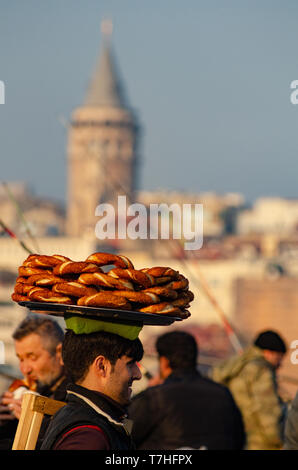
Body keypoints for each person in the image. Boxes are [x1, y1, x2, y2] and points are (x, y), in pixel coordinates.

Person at [128, 330, 245, 450]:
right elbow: (239, 439)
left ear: (164, 362)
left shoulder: (155, 398)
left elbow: (126, 432)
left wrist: (147, 393)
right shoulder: (223, 393)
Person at [41, 323, 143, 450]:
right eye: (130, 364)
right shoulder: (89, 436)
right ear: (102, 366)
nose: (138, 375)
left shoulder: (86, 418)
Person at [212, 329, 287, 450]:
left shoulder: (235, 366)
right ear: (269, 353)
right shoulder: (262, 370)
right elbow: (267, 410)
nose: (280, 364)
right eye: (279, 358)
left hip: (235, 437)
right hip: (259, 442)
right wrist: (279, 442)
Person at [0, 315, 67, 449]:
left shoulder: (75, 394)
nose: (25, 369)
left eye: (32, 357)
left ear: (59, 353)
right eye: (21, 359)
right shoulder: (40, 386)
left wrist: (37, 424)